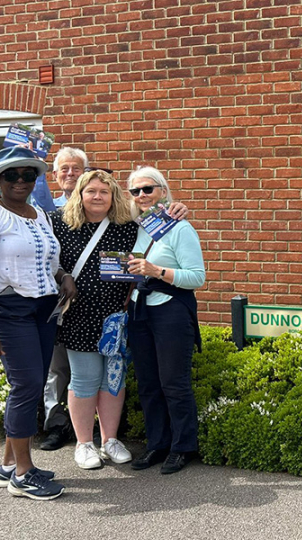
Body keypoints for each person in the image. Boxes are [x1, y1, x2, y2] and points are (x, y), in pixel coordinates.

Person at [0, 146, 76, 500]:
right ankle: (23, 476)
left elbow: (46, 257)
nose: (21, 181)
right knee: (25, 387)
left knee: (34, 382)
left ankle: (9, 465)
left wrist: (62, 274)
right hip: (9, 311)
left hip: (42, 309)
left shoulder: (38, 214)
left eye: (29, 175)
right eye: (12, 175)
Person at [51, 170, 138, 470]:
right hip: (78, 316)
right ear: (80, 194)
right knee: (85, 379)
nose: (98, 196)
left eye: (104, 191)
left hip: (115, 318)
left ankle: (110, 440)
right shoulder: (60, 224)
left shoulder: (126, 228)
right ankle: (84, 443)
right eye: (91, 191)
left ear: (113, 195)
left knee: (113, 380)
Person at [126, 166, 205, 475]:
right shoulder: (132, 225)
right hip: (139, 310)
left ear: (163, 190)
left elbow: (197, 276)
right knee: (147, 383)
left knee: (174, 382)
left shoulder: (179, 227)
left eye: (149, 189)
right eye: (136, 191)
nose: (143, 196)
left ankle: (182, 446)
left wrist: (157, 271)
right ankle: (157, 443)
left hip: (170, 309)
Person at [39, 146, 89, 452]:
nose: (70, 174)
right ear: (55, 176)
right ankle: (57, 426)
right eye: (64, 169)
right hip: (56, 298)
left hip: (95, 300)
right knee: (56, 368)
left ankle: (90, 426)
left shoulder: (100, 202)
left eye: (76, 168)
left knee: (90, 367)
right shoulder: (43, 207)